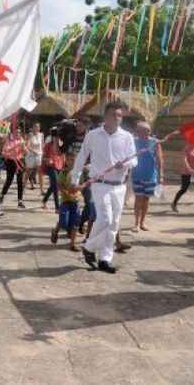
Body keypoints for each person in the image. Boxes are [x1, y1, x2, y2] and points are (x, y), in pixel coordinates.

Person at [72, 102, 137, 274]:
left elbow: (134, 160)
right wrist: (75, 178)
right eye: (115, 115)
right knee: (105, 219)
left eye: (120, 115)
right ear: (106, 116)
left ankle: (104, 259)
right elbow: (81, 157)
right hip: (99, 184)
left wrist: (124, 164)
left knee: (114, 224)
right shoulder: (93, 135)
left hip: (119, 185)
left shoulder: (127, 137)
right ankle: (89, 247)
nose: (118, 118)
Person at [131, 122, 164, 232]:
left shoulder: (155, 142)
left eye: (147, 131)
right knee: (138, 198)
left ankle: (142, 222)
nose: (145, 133)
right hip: (137, 175)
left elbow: (160, 160)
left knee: (146, 200)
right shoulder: (133, 141)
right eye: (140, 131)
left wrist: (161, 176)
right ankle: (136, 223)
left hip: (151, 176)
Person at [50, 152, 81, 252]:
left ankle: (72, 244)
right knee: (64, 222)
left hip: (76, 201)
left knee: (75, 222)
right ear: (66, 161)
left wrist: (80, 191)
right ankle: (55, 231)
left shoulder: (79, 173)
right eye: (69, 160)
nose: (72, 162)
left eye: (74, 160)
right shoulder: (63, 172)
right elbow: (59, 185)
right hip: (65, 201)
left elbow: (82, 184)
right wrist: (67, 193)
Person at [171, 141, 194, 214]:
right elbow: (184, 160)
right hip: (187, 172)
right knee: (184, 189)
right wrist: (189, 169)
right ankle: (174, 203)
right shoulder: (187, 148)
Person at [0, 128, 27, 209]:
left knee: (20, 182)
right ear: (13, 133)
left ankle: (20, 201)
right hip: (10, 161)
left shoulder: (21, 140)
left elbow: (25, 152)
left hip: (19, 161)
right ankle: (2, 195)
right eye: (16, 132)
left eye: (19, 132)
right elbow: (4, 152)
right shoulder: (9, 141)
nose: (18, 134)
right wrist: (16, 146)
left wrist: (24, 147)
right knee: (9, 180)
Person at [41, 128, 64, 212]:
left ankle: (44, 200)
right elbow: (43, 158)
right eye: (55, 136)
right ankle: (57, 208)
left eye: (57, 136)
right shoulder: (48, 145)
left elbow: (63, 156)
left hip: (59, 166)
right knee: (55, 186)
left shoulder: (61, 145)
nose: (56, 138)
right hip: (50, 167)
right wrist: (48, 160)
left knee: (53, 186)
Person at [25, 123, 44, 193]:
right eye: (35, 127)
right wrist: (33, 151)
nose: (36, 128)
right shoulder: (30, 134)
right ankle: (23, 186)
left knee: (40, 172)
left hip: (39, 155)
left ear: (39, 128)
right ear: (33, 127)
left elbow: (42, 145)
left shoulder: (41, 135)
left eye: (37, 127)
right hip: (31, 155)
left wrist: (43, 154)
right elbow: (27, 145)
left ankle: (42, 190)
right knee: (28, 172)